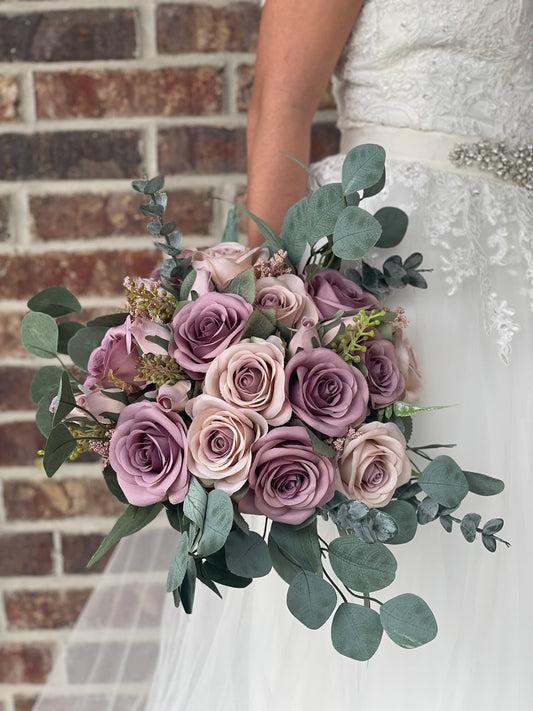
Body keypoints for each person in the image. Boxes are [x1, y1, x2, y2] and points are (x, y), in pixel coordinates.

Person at [33, 1, 532, 709]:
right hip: (393, 285)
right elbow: (279, 101)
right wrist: (267, 321)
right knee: (400, 565)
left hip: (517, 275)